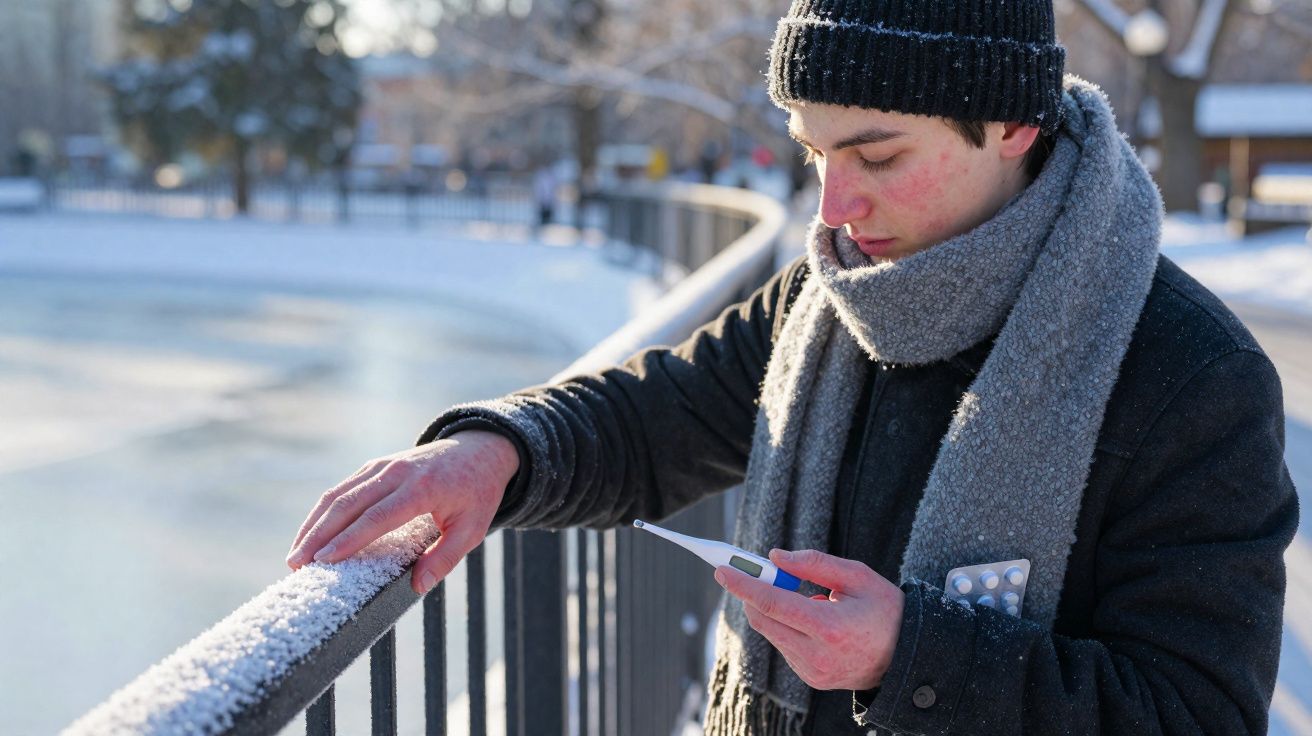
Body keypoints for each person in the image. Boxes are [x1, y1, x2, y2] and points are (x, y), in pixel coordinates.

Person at [285, 1, 1300, 733]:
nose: (831, 211)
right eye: (814, 157)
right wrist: (499, 452)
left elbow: (1196, 711)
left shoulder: (1192, 377)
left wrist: (912, 657)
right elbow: (660, 418)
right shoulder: (830, 299)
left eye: (877, 156)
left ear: (1012, 124)